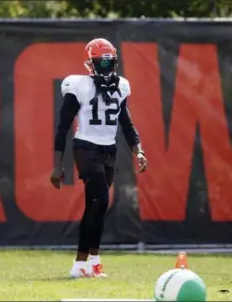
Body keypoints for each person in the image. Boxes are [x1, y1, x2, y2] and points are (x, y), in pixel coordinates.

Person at [50, 38, 148, 278]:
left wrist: (139, 149)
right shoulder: (78, 85)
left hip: (108, 150)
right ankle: (85, 264)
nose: (106, 68)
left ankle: (87, 264)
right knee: (101, 201)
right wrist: (57, 165)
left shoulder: (121, 86)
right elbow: (63, 126)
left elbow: (126, 122)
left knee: (95, 207)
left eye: (109, 63)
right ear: (90, 64)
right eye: (100, 63)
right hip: (85, 147)